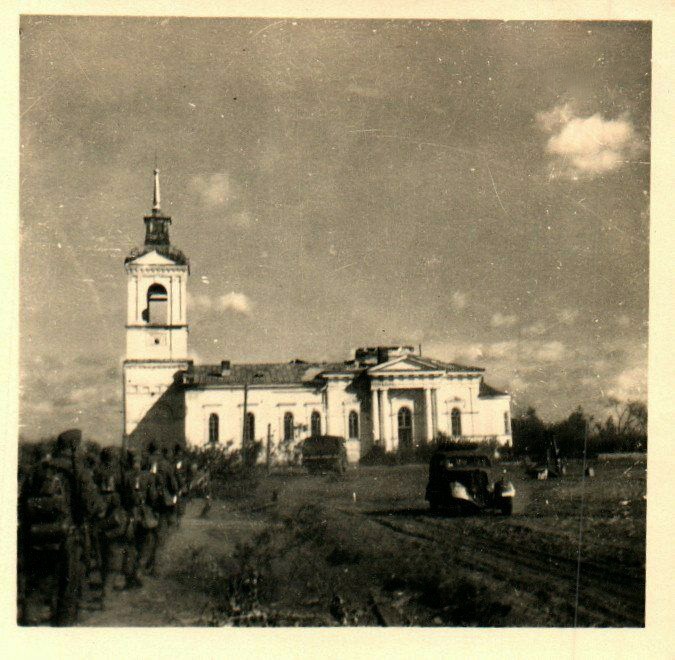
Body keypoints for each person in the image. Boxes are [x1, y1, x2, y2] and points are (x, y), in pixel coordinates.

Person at [18, 429, 103, 626]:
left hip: (38, 536)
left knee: (37, 587)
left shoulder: (38, 469)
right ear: (74, 447)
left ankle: (28, 628)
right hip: (68, 539)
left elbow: (23, 505)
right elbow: (94, 507)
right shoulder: (77, 470)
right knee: (68, 591)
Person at [93, 446, 131, 600]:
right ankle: (107, 591)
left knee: (101, 550)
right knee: (114, 550)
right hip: (115, 515)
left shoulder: (96, 471)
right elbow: (127, 493)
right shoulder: (120, 472)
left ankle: (104, 584)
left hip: (99, 516)